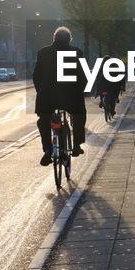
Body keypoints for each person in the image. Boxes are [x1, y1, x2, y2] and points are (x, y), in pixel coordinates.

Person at [32, 26, 87, 165]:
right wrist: (82, 90)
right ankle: (76, 146)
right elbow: (82, 75)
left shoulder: (43, 53)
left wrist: (41, 91)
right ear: (69, 39)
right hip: (70, 96)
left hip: (47, 97)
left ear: (54, 38)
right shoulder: (76, 52)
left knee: (44, 121)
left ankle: (47, 151)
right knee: (79, 114)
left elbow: (36, 76)